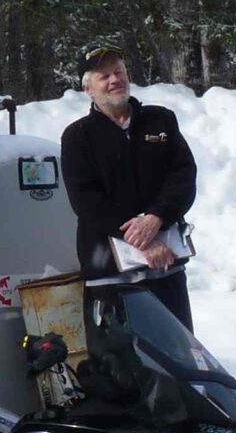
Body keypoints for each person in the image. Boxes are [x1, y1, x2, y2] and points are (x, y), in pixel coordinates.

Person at [61, 41, 198, 329]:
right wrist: (141, 241)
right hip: (109, 273)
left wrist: (157, 219)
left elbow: (183, 175)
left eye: (119, 71)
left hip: (165, 267)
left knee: (179, 355)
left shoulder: (160, 120)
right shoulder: (77, 137)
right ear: (88, 89)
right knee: (123, 366)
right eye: (104, 76)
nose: (115, 80)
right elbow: (86, 202)